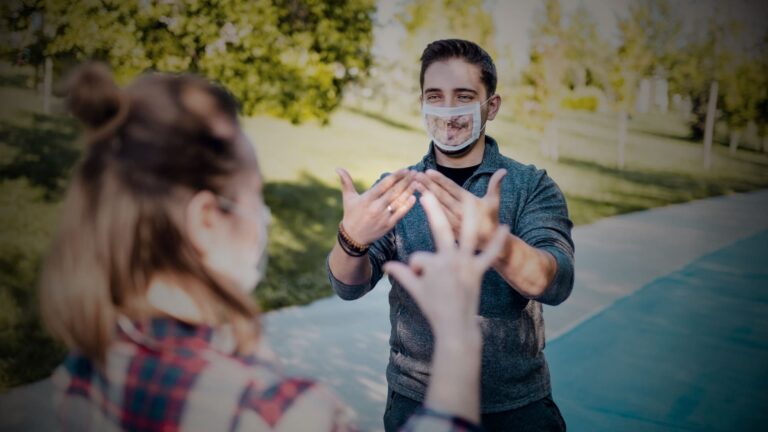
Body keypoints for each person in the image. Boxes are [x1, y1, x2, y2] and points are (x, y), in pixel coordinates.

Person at [39, 63, 508, 431]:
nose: (264, 217)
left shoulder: (81, 372)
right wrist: (457, 338)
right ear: (207, 220)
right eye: (255, 195)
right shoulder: (280, 413)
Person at [327, 39, 574, 431]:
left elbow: (557, 282)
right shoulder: (398, 188)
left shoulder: (530, 185)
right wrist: (350, 239)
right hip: (416, 403)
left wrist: (495, 241)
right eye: (435, 97)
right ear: (422, 104)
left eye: (463, 96)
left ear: (491, 106)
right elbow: (348, 286)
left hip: (518, 407)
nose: (448, 112)